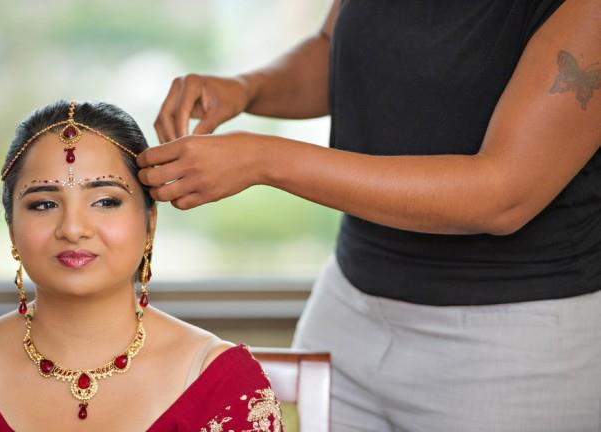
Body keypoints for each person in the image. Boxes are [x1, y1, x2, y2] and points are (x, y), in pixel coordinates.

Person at [140, 0, 601, 430]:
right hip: (347, 311)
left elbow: (504, 194)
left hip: (515, 349)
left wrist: (265, 160)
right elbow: (334, 50)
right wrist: (246, 88)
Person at [0, 101, 283, 431]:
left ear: (150, 220)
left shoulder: (221, 385)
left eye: (106, 201)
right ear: (11, 228)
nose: (72, 228)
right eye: (44, 204)